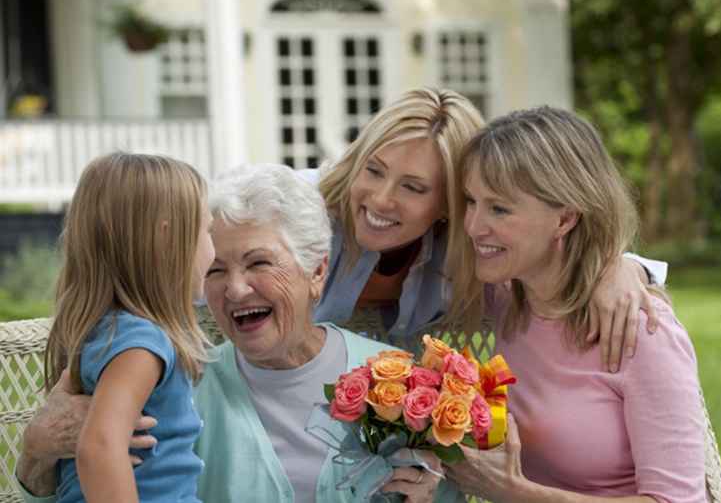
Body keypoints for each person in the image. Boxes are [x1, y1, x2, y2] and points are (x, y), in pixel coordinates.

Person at [17, 163, 459, 503]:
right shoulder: (175, 382)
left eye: (259, 263)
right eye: (215, 270)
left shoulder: (399, 379)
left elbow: (450, 487)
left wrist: (430, 487)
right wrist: (37, 451)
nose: (235, 288)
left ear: (317, 271)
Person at [446, 107, 705, 502]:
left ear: (565, 219)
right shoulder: (506, 297)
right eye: (471, 201)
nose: (474, 226)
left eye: (499, 208)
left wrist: (516, 493)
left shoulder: (640, 332)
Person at [310, 87, 666, 370]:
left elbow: (543, 249)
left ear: (449, 202)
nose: (381, 199)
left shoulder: (467, 248)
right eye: (373, 170)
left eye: (413, 187)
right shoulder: (299, 213)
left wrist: (619, 266)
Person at [43, 152, 215, 502]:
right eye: (207, 231)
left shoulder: (109, 332)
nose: (213, 249)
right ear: (169, 240)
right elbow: (99, 447)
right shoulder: (141, 345)